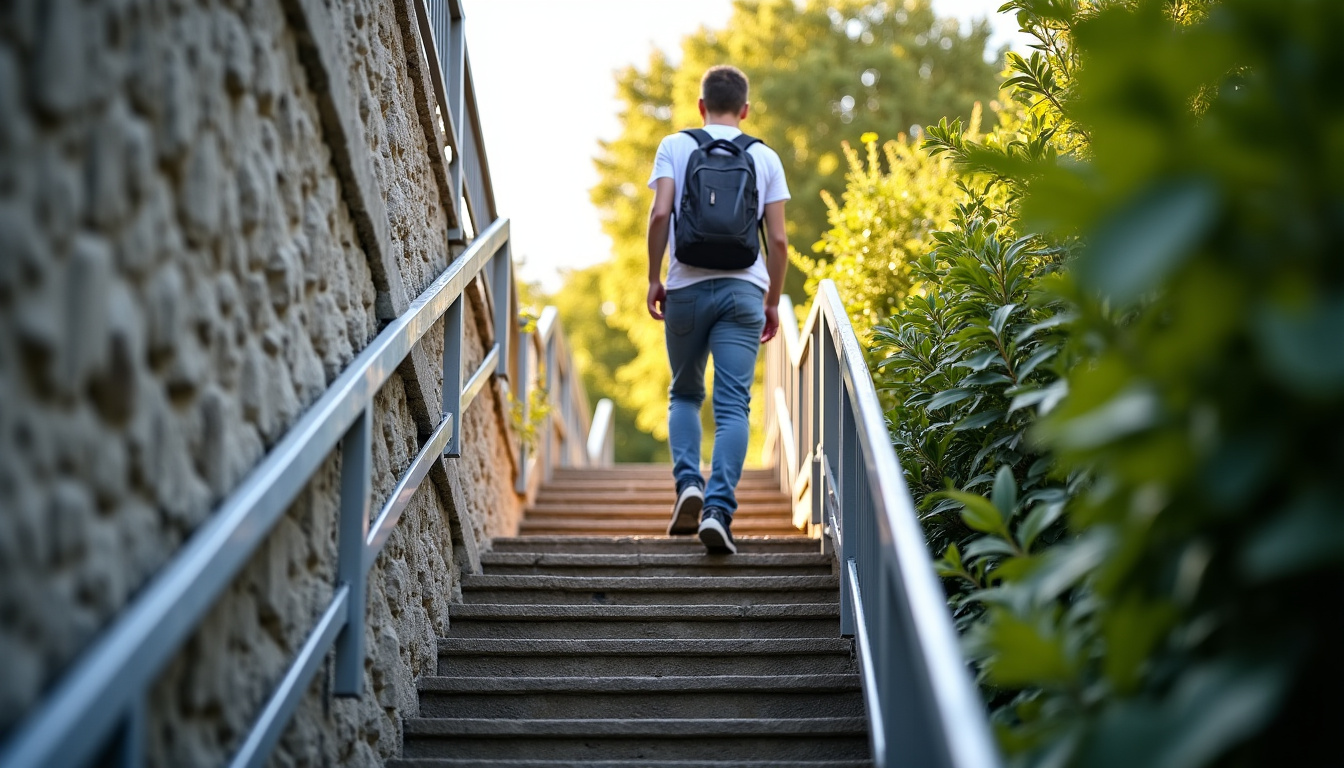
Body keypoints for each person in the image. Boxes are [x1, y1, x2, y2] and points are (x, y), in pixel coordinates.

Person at [646, 65, 791, 554]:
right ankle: (717, 510)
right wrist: (772, 300)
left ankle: (688, 483)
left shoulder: (675, 145)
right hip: (744, 291)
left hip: (685, 287)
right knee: (733, 407)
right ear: (745, 110)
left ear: (701, 105)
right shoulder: (765, 156)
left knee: (685, 394)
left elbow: (660, 214)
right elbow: (779, 241)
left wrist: (654, 277)